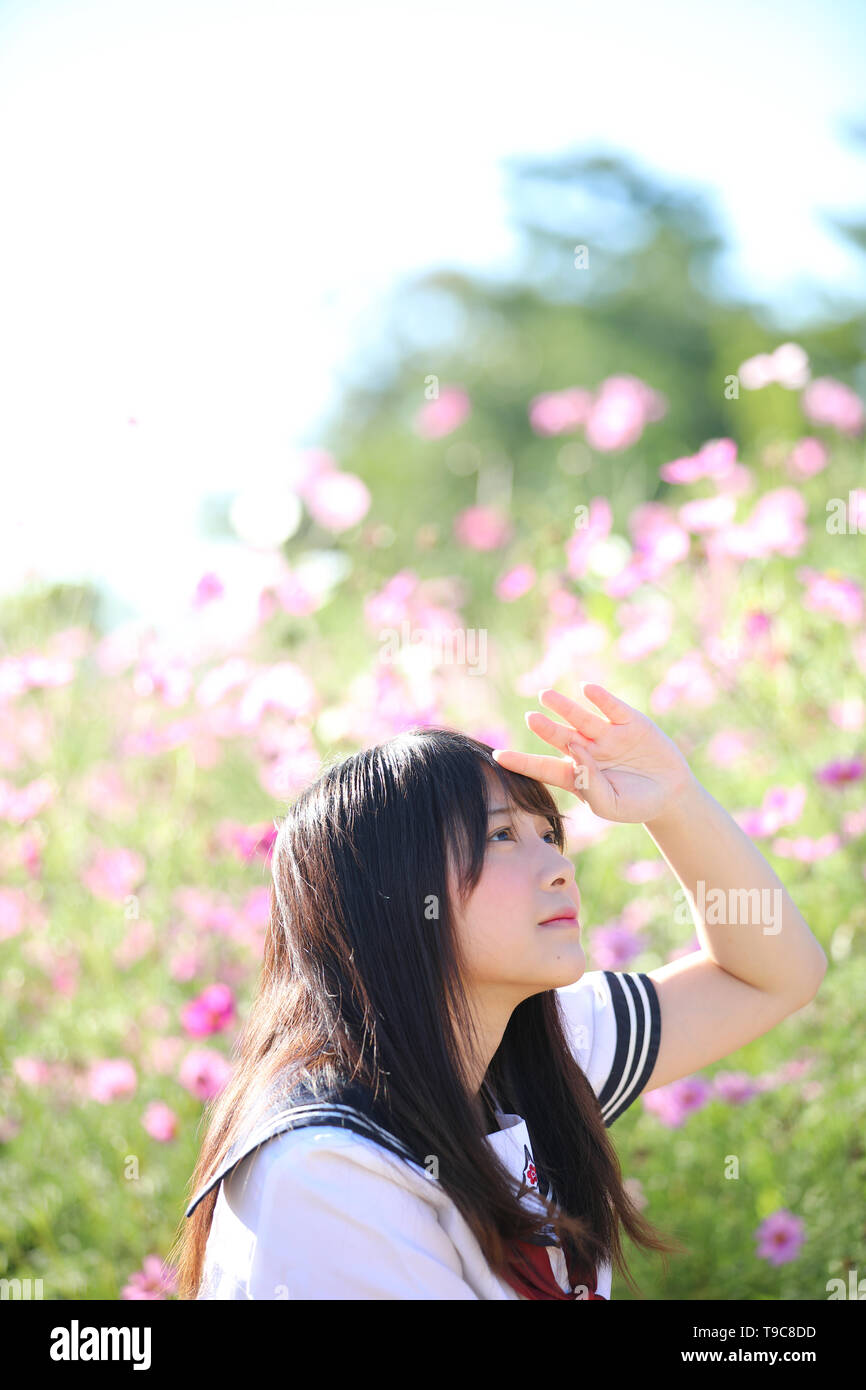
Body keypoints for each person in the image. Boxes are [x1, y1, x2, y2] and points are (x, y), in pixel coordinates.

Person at [170, 683, 827, 1299]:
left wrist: (676, 803)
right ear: (394, 897)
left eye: (549, 834)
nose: (559, 868)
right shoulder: (329, 1173)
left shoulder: (518, 1039)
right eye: (502, 835)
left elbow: (773, 974)